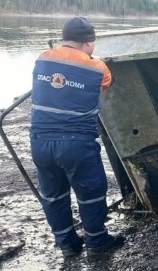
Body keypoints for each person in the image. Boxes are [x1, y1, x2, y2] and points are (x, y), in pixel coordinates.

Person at [30, 16, 124, 256]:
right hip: (75, 142)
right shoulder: (96, 67)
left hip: (40, 140)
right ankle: (96, 241)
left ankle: (67, 244)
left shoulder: (43, 58)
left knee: (53, 194)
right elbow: (105, 84)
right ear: (89, 43)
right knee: (90, 191)